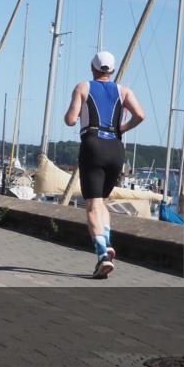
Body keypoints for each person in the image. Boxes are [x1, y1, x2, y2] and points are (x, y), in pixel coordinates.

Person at [63, 51, 145, 279]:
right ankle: (107, 243)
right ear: (113, 70)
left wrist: (73, 113)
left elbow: (70, 120)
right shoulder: (124, 91)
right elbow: (140, 114)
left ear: (92, 68)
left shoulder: (83, 87)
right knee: (103, 203)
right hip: (116, 149)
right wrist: (122, 129)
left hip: (92, 145)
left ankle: (102, 255)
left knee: (92, 205)